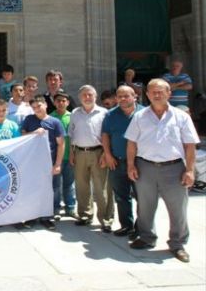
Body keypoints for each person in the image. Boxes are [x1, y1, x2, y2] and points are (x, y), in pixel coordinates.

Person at [125, 79, 200, 263]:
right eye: (153, 92)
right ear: (147, 95)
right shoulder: (139, 116)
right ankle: (146, 237)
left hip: (174, 168)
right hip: (145, 167)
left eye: (160, 91)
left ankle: (177, 244)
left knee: (178, 208)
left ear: (169, 93)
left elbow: (190, 145)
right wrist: (131, 165)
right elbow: (132, 143)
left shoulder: (181, 117)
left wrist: (190, 171)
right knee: (145, 206)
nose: (157, 95)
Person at [69, 85, 114, 231]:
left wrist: (106, 154)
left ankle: (106, 219)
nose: (87, 97)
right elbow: (72, 134)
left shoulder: (104, 113)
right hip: (79, 152)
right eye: (84, 95)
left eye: (90, 95)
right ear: (79, 97)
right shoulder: (75, 113)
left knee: (102, 188)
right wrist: (72, 153)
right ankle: (85, 214)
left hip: (99, 153)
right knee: (81, 186)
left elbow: (109, 135)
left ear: (95, 97)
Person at [101, 85, 143, 237]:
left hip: (140, 162)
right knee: (121, 196)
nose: (123, 99)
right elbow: (105, 135)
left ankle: (141, 228)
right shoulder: (111, 114)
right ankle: (126, 226)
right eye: (120, 96)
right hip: (117, 161)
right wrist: (108, 155)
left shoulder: (144, 113)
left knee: (142, 197)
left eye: (126, 96)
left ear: (135, 96)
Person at [21, 95, 65, 230]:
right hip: (33, 162)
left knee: (52, 189)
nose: (37, 109)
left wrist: (57, 164)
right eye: (34, 107)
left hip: (50, 162)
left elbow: (61, 144)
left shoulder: (55, 122)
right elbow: (22, 136)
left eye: (39, 106)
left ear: (45, 105)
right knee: (33, 189)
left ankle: (47, 217)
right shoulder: (29, 119)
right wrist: (34, 133)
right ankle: (32, 216)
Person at [49, 92, 76, 218]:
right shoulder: (50, 117)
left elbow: (75, 137)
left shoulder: (73, 117)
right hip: (55, 158)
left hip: (69, 156)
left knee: (69, 184)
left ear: (68, 103)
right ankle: (55, 208)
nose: (61, 103)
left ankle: (70, 208)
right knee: (55, 185)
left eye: (63, 101)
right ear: (54, 103)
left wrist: (73, 153)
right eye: (58, 101)